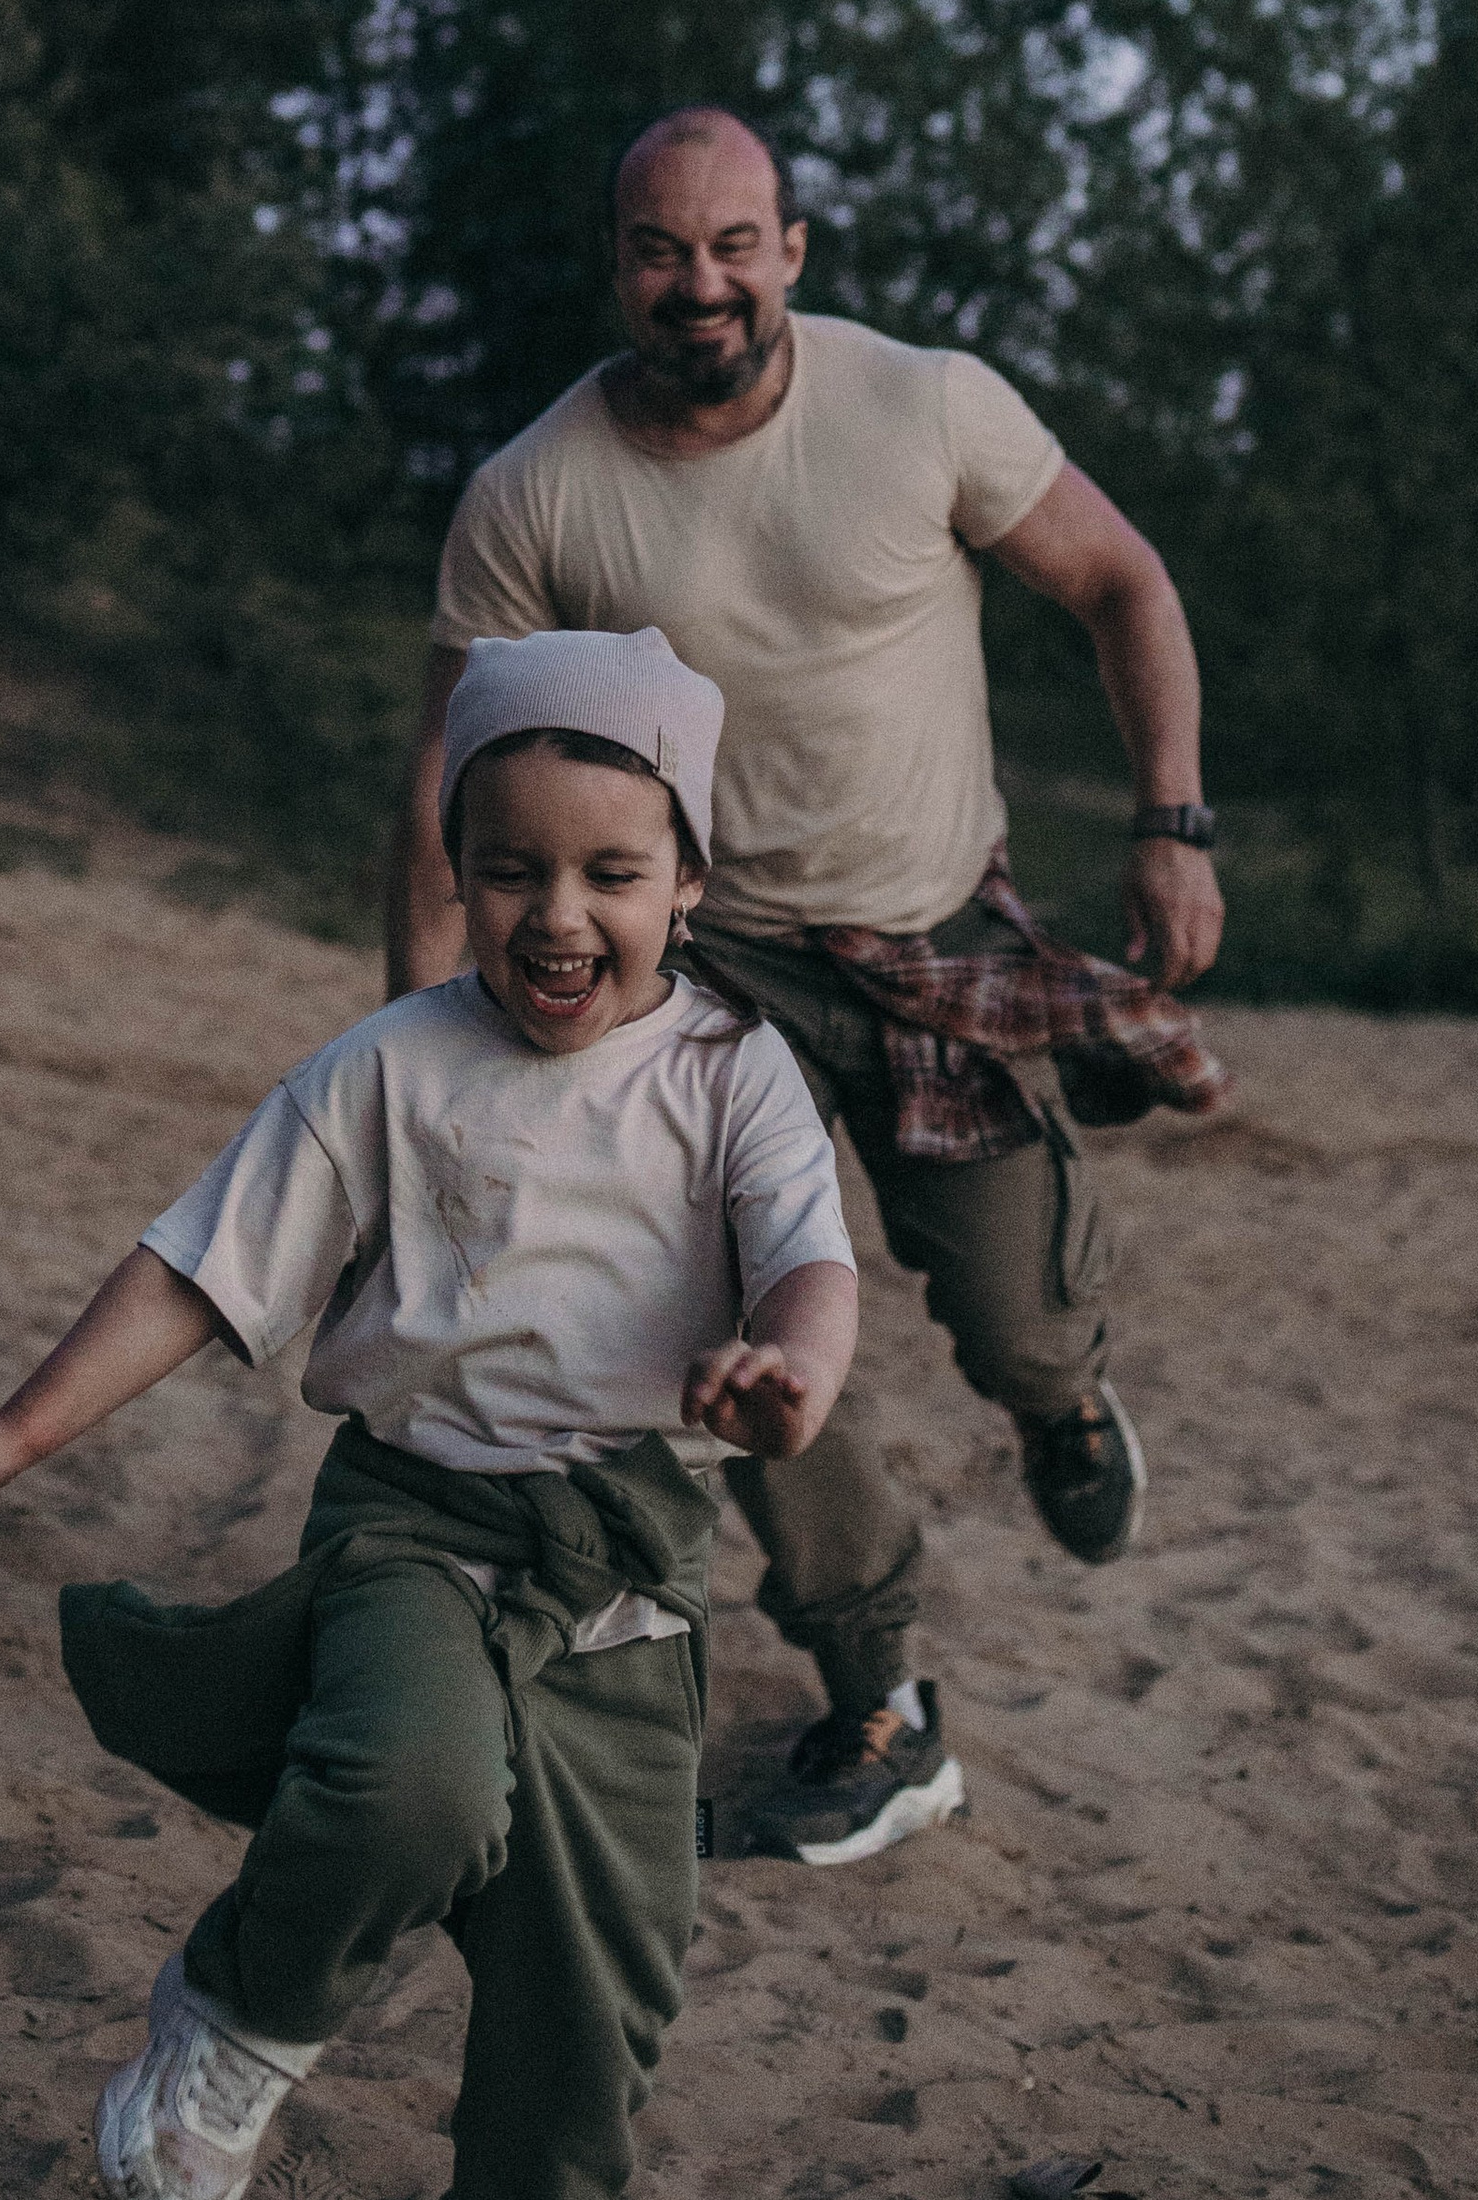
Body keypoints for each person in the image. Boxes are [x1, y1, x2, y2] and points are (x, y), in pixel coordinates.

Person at [0, 624, 856, 2200]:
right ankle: (241, 2011)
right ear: (456, 874)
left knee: (595, 1988)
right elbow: (199, 1267)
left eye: (612, 872)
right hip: (418, 1519)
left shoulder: (739, 1074)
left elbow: (809, 1260)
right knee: (410, 1787)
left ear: (690, 885)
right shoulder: (390, 1066)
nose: (559, 915)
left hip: (628, 1575)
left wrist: (791, 1373)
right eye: (511, 867)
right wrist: (10, 1433)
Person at [386, 105, 1226, 1868]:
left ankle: (1062, 1398)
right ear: (616, 267)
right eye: (659, 250)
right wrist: (422, 1054)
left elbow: (1122, 582)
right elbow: (448, 783)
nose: (699, 283)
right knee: (719, 1303)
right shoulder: (537, 492)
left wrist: (1171, 824)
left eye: (731, 245)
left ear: (792, 252)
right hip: (708, 961)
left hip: (934, 934)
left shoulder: (925, 406)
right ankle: (878, 1691)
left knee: (1011, 1315)